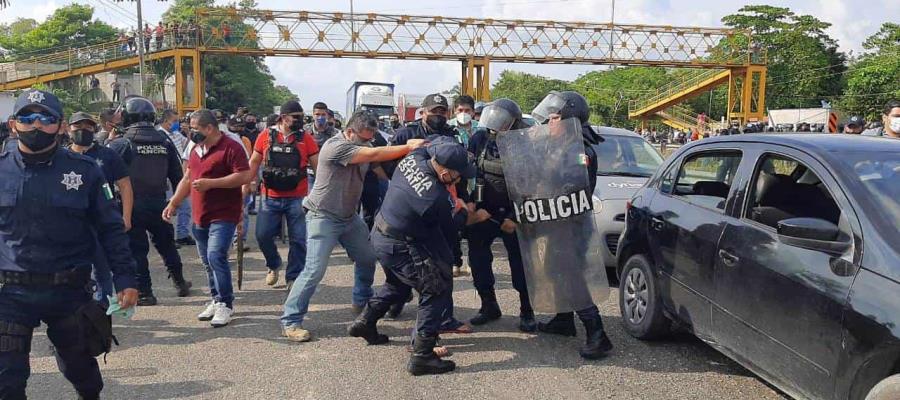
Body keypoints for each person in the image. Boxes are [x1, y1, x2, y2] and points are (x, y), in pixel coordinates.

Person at [0, 89, 138, 400]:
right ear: (13, 124)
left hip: (68, 289)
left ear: (61, 125)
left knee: (82, 371)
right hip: (10, 292)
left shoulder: (86, 171)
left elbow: (110, 229)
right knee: (6, 381)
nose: (36, 125)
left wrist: (125, 278)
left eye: (46, 118)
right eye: (27, 117)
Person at [279, 110, 426, 342]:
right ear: (349, 132)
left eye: (371, 138)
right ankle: (291, 320)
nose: (368, 142)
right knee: (314, 271)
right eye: (364, 138)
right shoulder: (335, 147)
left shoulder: (364, 145)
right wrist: (408, 146)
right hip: (323, 216)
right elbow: (374, 153)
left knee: (367, 258)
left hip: (349, 217)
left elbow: (381, 170)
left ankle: (361, 301)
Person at [347, 137, 490, 375]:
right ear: (445, 172)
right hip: (400, 243)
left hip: (383, 234)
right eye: (458, 175)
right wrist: (469, 214)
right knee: (435, 289)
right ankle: (422, 355)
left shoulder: (415, 158)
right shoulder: (434, 197)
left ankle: (365, 323)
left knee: (398, 284)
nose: (460, 179)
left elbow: (424, 146)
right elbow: (451, 228)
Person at [531, 90, 613, 360]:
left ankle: (597, 334)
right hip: (557, 223)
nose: (549, 123)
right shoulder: (560, 145)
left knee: (571, 277)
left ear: (570, 120)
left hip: (571, 225)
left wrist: (550, 199)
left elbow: (576, 188)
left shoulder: (580, 151)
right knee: (553, 270)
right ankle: (564, 320)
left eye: (555, 118)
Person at [164, 109, 251, 328]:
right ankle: (215, 298)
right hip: (200, 215)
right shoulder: (196, 149)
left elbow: (244, 175)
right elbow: (187, 178)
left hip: (224, 213)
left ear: (209, 128)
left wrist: (212, 183)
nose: (191, 132)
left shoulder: (231, 147)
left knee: (215, 256)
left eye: (195, 128)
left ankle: (225, 303)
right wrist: (174, 202)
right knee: (207, 261)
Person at [108, 96, 190, 306]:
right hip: (159, 203)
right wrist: (175, 202)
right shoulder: (164, 141)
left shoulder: (121, 144)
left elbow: (104, 174)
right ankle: (180, 282)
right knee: (167, 245)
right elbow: (178, 176)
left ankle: (145, 293)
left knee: (137, 250)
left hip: (130, 206)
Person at [466, 98, 536, 332]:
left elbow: (533, 185)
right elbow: (476, 173)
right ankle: (488, 305)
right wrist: (475, 204)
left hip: (514, 215)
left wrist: (516, 217)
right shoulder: (480, 138)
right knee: (478, 260)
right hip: (485, 211)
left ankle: (527, 310)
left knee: (521, 265)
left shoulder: (526, 142)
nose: (496, 125)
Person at [248, 100, 319, 288]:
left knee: (299, 240)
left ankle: (293, 277)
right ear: (283, 117)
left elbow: (318, 167)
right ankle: (273, 264)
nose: (299, 121)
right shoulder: (265, 136)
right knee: (263, 235)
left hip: (298, 197)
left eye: (301, 117)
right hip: (270, 197)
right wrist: (247, 183)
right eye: (295, 117)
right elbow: (254, 162)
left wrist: (319, 194)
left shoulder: (306, 139)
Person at [66, 112, 134, 306]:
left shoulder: (107, 155)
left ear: (94, 129)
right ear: (68, 129)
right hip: (71, 224)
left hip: (101, 222)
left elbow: (125, 185)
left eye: (87, 127)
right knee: (72, 273)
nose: (82, 131)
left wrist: (126, 217)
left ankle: (102, 313)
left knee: (102, 272)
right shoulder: (62, 157)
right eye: (78, 127)